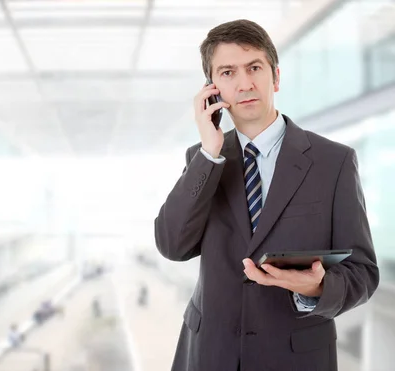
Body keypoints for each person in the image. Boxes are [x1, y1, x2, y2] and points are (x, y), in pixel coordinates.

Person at [153, 19, 379, 371]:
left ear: (275, 76)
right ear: (212, 90)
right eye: (228, 73)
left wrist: (316, 288)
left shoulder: (334, 162)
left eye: (254, 67)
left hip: (296, 358)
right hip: (210, 354)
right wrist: (209, 154)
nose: (244, 84)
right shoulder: (203, 160)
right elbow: (172, 245)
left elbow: (363, 273)